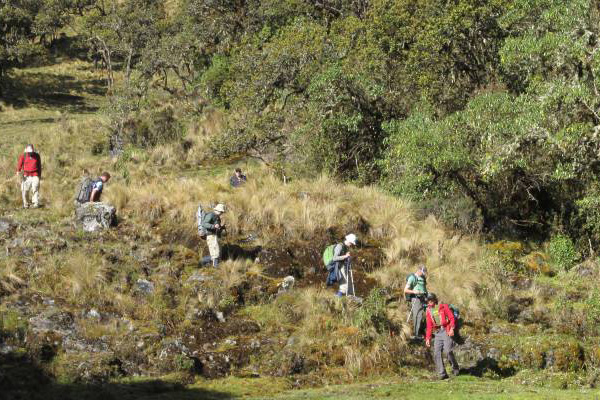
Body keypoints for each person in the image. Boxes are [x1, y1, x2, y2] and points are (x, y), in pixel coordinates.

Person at [425, 293, 460, 380]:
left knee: (448, 351)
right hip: (437, 333)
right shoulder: (428, 311)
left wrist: (452, 328)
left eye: (431, 300)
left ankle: (455, 367)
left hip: (446, 330)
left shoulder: (443, 307)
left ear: (434, 300)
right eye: (428, 301)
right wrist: (428, 339)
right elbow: (429, 326)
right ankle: (442, 374)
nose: (430, 302)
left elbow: (452, 318)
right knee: (436, 352)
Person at [404, 265, 428, 339]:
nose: (424, 274)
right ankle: (415, 334)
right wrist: (415, 292)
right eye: (423, 272)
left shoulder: (422, 278)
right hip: (416, 298)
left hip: (423, 298)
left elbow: (424, 287)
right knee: (417, 315)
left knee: (422, 315)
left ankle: (419, 332)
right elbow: (405, 290)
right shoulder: (412, 278)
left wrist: (427, 296)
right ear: (419, 270)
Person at [16, 144, 42, 209]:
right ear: (27, 151)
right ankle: (26, 204)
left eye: (31, 152)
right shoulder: (23, 155)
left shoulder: (37, 156)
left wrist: (39, 175)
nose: (30, 153)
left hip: (35, 175)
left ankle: (36, 203)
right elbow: (20, 164)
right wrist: (18, 171)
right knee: (24, 190)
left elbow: (39, 166)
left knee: (35, 189)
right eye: (29, 152)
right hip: (26, 176)